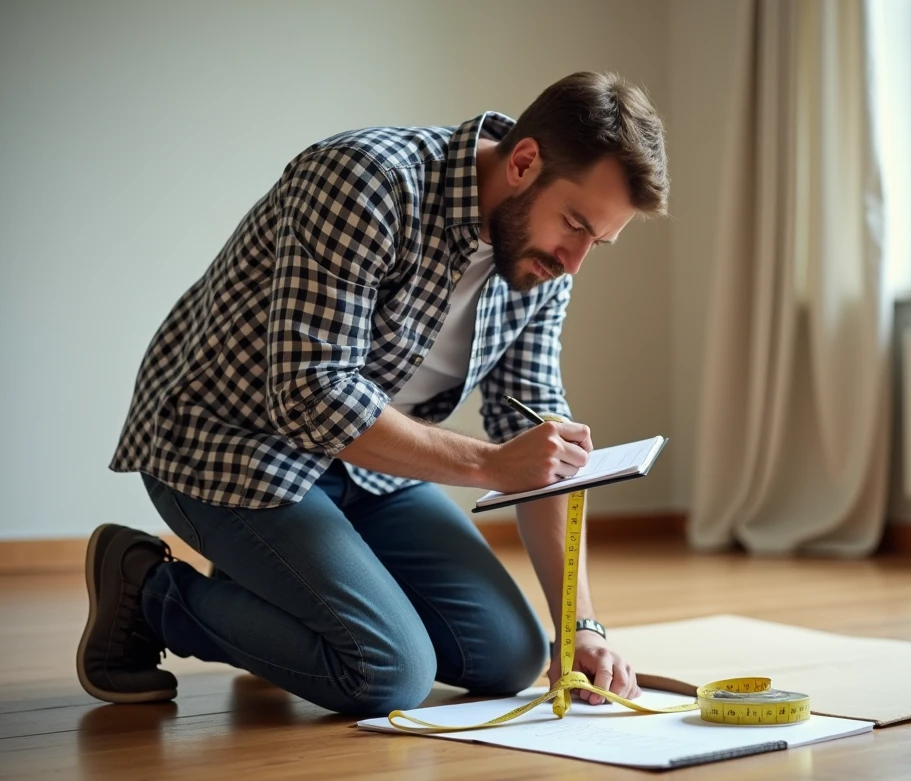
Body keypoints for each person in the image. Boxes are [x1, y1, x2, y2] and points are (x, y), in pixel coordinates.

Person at [76, 71, 669, 717]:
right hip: (231, 445)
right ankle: (151, 591)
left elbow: (540, 432)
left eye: (598, 243)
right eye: (576, 225)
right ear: (524, 162)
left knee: (504, 659)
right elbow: (312, 393)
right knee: (385, 673)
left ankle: (275, 598)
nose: (574, 262)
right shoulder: (365, 178)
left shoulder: (542, 258)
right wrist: (489, 464)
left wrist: (581, 625)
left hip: (371, 464)